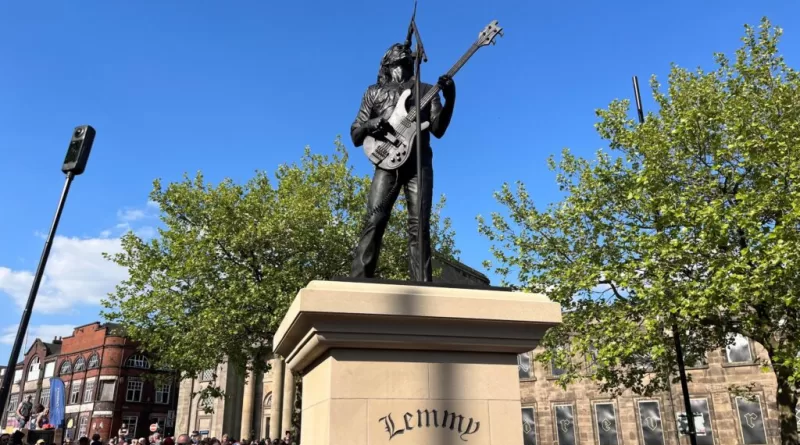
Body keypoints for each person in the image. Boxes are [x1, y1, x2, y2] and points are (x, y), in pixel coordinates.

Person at [349, 42, 456, 282]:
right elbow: (355, 134)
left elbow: (438, 129)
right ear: (388, 60)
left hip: (419, 163)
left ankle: (422, 287)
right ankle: (358, 281)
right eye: (398, 49)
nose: (404, 49)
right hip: (386, 160)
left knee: (420, 227)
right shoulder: (373, 92)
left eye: (406, 49)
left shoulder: (426, 89)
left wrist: (450, 99)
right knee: (375, 219)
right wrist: (372, 124)